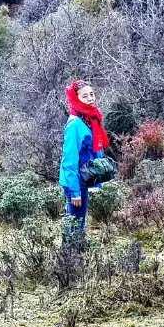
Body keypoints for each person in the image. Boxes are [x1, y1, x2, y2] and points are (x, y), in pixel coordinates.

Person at [59, 79, 110, 249]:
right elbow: (69, 161)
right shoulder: (75, 124)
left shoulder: (90, 119)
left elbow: (95, 152)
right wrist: (74, 192)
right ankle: (68, 262)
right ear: (75, 99)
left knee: (79, 222)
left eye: (92, 94)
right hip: (76, 182)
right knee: (74, 223)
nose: (90, 98)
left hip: (85, 180)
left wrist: (98, 181)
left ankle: (74, 260)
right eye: (84, 96)